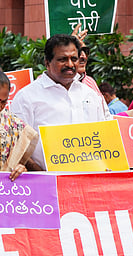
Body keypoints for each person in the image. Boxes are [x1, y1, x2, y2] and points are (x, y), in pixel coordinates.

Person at [11, 34, 111, 171]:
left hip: (89, 181)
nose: (70, 64)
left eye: (74, 59)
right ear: (47, 62)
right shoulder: (27, 97)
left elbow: (104, 136)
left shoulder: (91, 94)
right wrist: (40, 173)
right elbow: (16, 143)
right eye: (62, 59)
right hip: (47, 183)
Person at [0, 71, 38, 180]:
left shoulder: (13, 124)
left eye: (4, 101)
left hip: (4, 191)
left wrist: (20, 170)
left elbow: (13, 165)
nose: (0, 106)